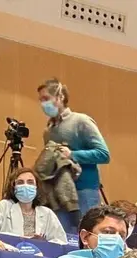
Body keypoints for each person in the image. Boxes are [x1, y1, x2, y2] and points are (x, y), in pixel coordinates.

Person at [38, 78, 110, 219]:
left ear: (61, 97)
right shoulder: (48, 131)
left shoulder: (80, 121)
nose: (43, 104)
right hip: (58, 194)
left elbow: (104, 154)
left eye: (46, 98)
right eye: (40, 100)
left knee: (86, 236)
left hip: (85, 192)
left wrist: (73, 154)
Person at [0, 168, 68, 244]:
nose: (25, 185)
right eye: (20, 182)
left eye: (30, 182)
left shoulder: (47, 213)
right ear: (13, 187)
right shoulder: (4, 206)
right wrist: (20, 238)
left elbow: (61, 241)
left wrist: (44, 243)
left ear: (37, 187)